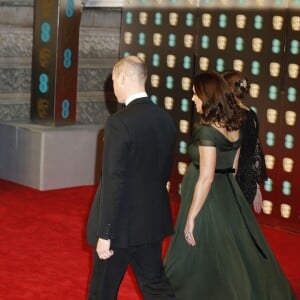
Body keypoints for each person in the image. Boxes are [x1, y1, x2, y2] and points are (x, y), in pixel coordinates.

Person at [164, 71, 296, 299]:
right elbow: (233, 168)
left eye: (195, 94)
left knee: (194, 252)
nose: (193, 98)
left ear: (206, 97)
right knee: (230, 251)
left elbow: (206, 177)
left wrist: (192, 216)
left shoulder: (206, 131)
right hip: (227, 191)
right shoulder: (234, 125)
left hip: (206, 196)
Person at [86, 55, 177, 300]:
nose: (113, 87)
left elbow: (114, 181)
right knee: (156, 288)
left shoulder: (118, 123)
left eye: (114, 80)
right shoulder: (165, 120)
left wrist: (105, 233)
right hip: (150, 224)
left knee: (101, 293)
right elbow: (162, 173)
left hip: (118, 228)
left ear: (123, 78)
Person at [223, 70, 267, 214]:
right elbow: (255, 148)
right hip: (246, 180)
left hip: (233, 179)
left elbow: (235, 152)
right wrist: (256, 185)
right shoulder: (251, 113)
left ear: (229, 90)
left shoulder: (232, 116)